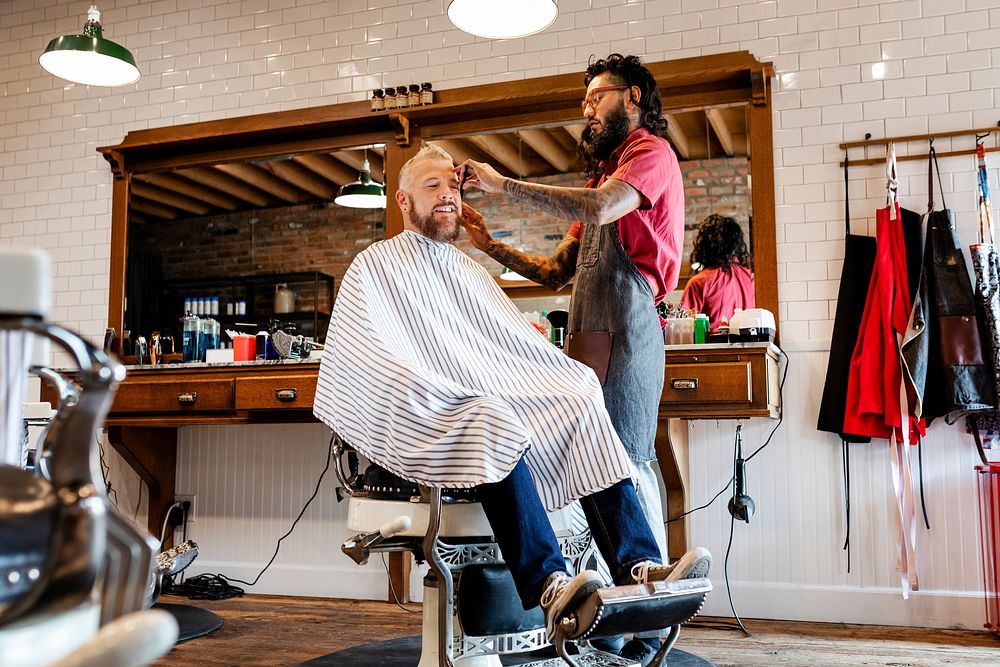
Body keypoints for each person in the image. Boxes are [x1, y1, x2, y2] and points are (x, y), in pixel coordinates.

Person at [314, 145, 710, 647]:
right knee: (489, 415)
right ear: (403, 201)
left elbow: (505, 346)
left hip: (480, 402)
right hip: (427, 413)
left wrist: (540, 377)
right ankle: (552, 588)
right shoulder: (375, 266)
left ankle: (639, 570)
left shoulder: (468, 271)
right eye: (432, 186)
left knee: (579, 392)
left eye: (453, 187)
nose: (447, 196)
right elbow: (368, 355)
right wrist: (435, 389)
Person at [458, 53, 683, 662]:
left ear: (633, 96)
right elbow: (556, 269)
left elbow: (603, 208)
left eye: (597, 97)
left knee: (627, 463)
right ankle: (605, 614)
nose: (587, 110)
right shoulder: (601, 179)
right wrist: (489, 244)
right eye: (583, 102)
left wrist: (502, 185)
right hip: (586, 337)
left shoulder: (649, 157)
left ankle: (648, 613)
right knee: (591, 462)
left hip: (631, 331)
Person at [681, 213, 755, 330]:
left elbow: (684, 329)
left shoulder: (699, 283)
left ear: (704, 245)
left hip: (714, 347)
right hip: (754, 347)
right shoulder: (753, 279)